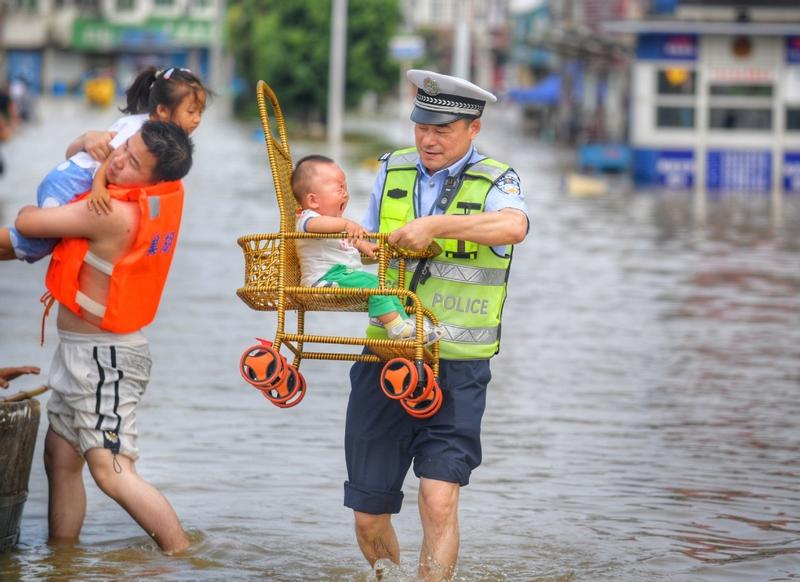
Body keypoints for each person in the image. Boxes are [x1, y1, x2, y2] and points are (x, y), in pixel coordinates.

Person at [344, 70, 529, 581]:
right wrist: (347, 244)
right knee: (367, 515)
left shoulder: (499, 180)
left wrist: (436, 225)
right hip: (384, 359)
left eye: (443, 128)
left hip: (458, 367)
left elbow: (514, 226)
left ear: (473, 128)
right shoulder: (392, 170)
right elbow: (369, 247)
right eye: (421, 125)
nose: (428, 138)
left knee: (438, 498)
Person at [13, 120, 194, 553]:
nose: (118, 160)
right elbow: (105, 160)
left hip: (104, 361)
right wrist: (102, 168)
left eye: (133, 163)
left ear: (154, 182)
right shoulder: (129, 198)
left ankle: (182, 556)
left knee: (111, 471)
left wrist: (82, 181)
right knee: (60, 458)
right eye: (123, 147)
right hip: (85, 355)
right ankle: (64, 561)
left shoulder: (113, 212)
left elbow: (29, 221)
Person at [0, 66, 206, 262]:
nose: (197, 120)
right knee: (35, 245)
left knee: (27, 248)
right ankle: (31, 213)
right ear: (162, 110)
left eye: (200, 113)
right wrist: (98, 188)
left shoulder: (147, 131)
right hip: (71, 180)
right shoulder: (141, 132)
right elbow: (110, 160)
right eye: (191, 112)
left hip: (71, 174)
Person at [292, 154, 442, 343]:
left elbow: (349, 240)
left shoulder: (336, 224)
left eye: (345, 187)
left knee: (385, 287)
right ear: (313, 200)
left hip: (343, 276)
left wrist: (365, 245)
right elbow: (317, 226)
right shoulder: (308, 218)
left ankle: (405, 325)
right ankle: (396, 328)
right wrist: (346, 225)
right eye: (338, 188)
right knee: (374, 285)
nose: (345, 193)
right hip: (323, 280)